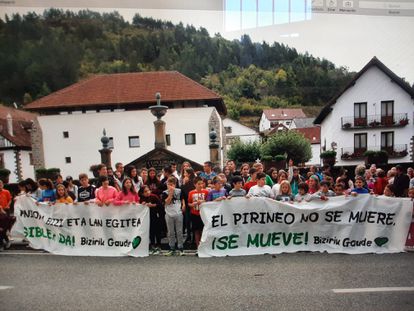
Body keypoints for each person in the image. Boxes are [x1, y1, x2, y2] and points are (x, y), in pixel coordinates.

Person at [162, 177, 184, 255]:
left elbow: (183, 199)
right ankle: (172, 248)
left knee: (179, 231)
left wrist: (183, 205)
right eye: (169, 184)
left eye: (172, 184)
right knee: (171, 232)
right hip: (168, 214)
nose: (170, 186)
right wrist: (170, 194)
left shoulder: (179, 191)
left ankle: (180, 248)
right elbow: (166, 202)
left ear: (175, 185)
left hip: (178, 213)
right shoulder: (164, 192)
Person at [139, 185, 163, 254]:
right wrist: (142, 204)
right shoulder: (142, 198)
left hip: (156, 215)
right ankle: (152, 245)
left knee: (157, 231)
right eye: (145, 191)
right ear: (142, 193)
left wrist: (153, 205)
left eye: (148, 190)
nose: (147, 192)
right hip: (147, 217)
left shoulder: (154, 196)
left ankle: (159, 245)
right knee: (151, 231)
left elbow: (160, 205)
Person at [188, 176, 209, 247]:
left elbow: (209, 201)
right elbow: (189, 203)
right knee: (196, 231)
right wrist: (192, 204)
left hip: (203, 214)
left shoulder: (206, 191)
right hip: (194, 214)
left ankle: (204, 246)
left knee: (203, 230)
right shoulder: (191, 193)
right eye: (199, 184)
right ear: (195, 184)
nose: (201, 185)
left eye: (202, 184)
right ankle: (198, 247)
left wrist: (203, 201)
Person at [0, 181, 15, 250]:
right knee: (0, 229)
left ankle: (6, 241)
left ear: (3, 185)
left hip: (6, 211)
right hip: (0, 210)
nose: (0, 186)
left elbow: (10, 200)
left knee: (5, 227)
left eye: (1, 185)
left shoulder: (6, 191)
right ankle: (2, 244)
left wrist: (7, 206)